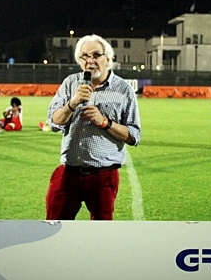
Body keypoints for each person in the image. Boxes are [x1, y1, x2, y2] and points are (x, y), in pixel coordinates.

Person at [45, 34, 141, 220]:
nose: (90, 61)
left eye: (96, 55)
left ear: (108, 59)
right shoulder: (70, 83)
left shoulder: (123, 89)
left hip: (103, 175)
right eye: (85, 56)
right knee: (54, 225)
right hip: (68, 172)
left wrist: (104, 122)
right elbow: (54, 121)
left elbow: (134, 135)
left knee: (101, 231)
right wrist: (73, 103)